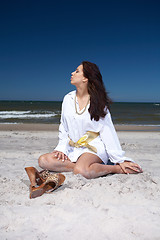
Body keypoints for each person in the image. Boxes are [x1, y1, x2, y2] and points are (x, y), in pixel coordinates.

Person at [38, 61, 143, 179]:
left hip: (93, 147)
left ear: (86, 78)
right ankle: (86, 166)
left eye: (77, 71)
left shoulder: (98, 102)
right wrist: (61, 148)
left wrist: (119, 160)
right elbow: (63, 126)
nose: (72, 73)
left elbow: (107, 131)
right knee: (44, 161)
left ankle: (115, 169)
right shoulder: (68, 98)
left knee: (81, 171)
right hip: (72, 147)